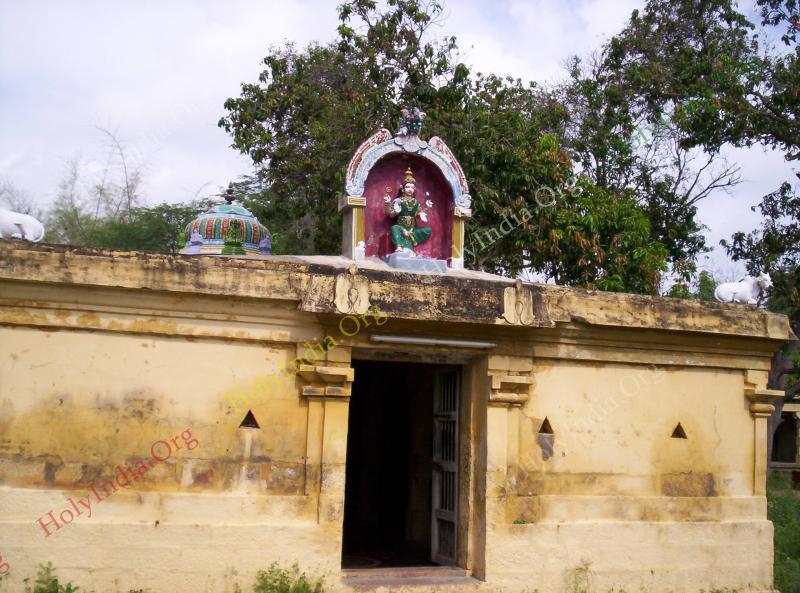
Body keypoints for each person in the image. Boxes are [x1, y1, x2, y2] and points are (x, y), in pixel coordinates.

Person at [385, 168, 432, 253]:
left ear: (414, 190)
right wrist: (395, 210)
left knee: (428, 230)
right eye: (407, 187)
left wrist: (427, 208)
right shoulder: (398, 200)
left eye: (412, 187)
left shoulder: (415, 202)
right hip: (401, 227)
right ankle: (398, 246)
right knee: (394, 228)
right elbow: (391, 215)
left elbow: (418, 215)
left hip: (412, 229)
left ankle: (410, 237)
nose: (410, 189)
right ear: (403, 189)